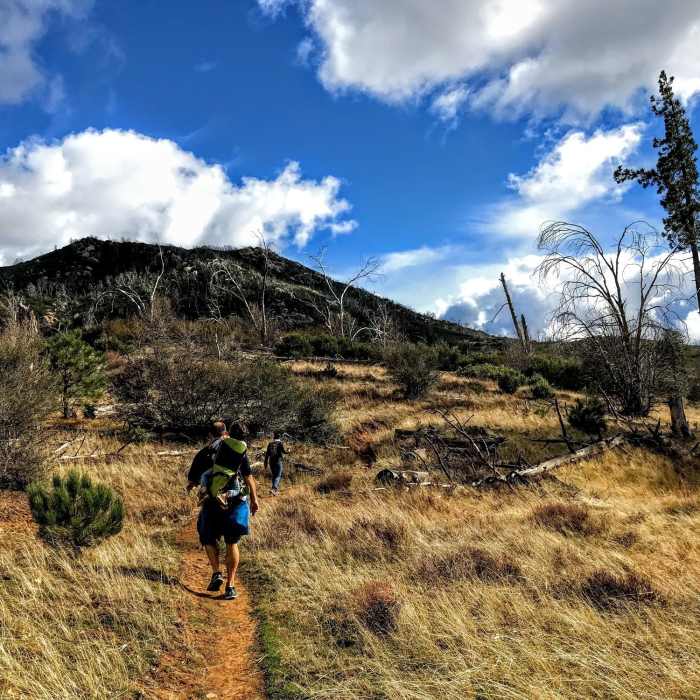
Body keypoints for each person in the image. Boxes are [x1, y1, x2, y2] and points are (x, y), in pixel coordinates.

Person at [187, 421, 259, 600]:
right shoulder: (238, 450)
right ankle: (230, 586)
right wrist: (254, 499)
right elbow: (248, 476)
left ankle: (216, 572)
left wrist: (196, 486)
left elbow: (193, 481)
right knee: (232, 542)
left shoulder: (203, 453)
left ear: (210, 435)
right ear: (225, 432)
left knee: (208, 537)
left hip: (212, 502)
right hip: (235, 501)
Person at [264, 431, 286, 496]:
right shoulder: (280, 443)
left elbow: (267, 454)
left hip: (271, 461)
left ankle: (274, 491)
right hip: (278, 461)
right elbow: (284, 451)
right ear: (279, 437)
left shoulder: (270, 443)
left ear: (274, 436)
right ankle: (274, 488)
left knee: (274, 475)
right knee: (278, 476)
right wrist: (289, 451)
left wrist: (265, 463)